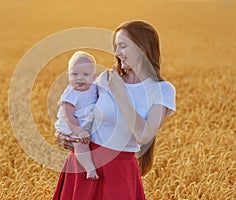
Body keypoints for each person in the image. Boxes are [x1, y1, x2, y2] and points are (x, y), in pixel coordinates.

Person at [53, 21, 176, 200]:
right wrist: (61, 135)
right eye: (116, 47)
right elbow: (75, 107)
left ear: (142, 47)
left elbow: (143, 135)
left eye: (123, 46)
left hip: (120, 171)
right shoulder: (105, 79)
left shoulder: (162, 90)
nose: (117, 53)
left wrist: (120, 93)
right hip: (84, 167)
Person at [54, 51, 99, 180]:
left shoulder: (94, 87)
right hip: (72, 126)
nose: (80, 78)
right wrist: (79, 131)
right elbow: (69, 117)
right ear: (68, 76)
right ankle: (90, 168)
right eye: (74, 74)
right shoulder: (70, 94)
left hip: (86, 122)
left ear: (94, 77)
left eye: (85, 74)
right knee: (80, 143)